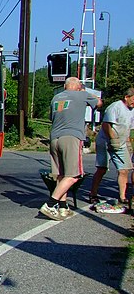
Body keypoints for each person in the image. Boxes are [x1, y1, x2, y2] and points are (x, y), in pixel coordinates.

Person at [40, 77, 101, 221]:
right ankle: (50, 204)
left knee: (61, 175)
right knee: (74, 175)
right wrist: (86, 93)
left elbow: (51, 117)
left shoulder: (55, 98)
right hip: (72, 137)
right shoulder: (81, 94)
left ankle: (63, 207)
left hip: (54, 138)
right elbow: (99, 103)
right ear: (78, 86)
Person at [87, 87, 134, 213]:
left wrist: (128, 143)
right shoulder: (115, 107)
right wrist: (113, 139)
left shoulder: (132, 111)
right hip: (106, 141)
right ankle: (93, 194)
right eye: (133, 99)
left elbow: (130, 129)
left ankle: (122, 197)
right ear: (126, 97)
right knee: (102, 169)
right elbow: (106, 125)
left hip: (121, 143)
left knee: (124, 170)